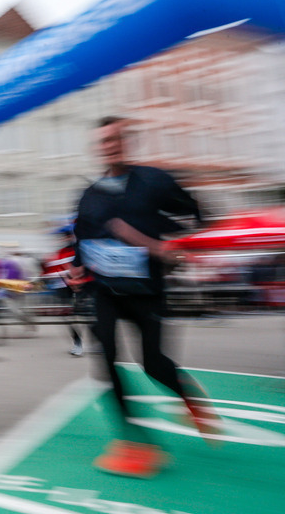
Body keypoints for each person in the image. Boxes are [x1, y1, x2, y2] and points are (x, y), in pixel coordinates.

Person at [73, 116, 217, 478]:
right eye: (104, 141)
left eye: (117, 139)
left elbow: (200, 215)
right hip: (104, 291)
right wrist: (77, 268)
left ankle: (189, 396)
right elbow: (81, 240)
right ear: (98, 149)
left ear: (128, 142)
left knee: (152, 364)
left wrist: (175, 248)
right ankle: (135, 442)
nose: (111, 146)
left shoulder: (154, 181)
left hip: (147, 292)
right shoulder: (89, 196)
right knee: (106, 360)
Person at [43, 225, 92, 357]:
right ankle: (77, 342)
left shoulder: (80, 251)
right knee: (68, 317)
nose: (61, 240)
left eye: (64, 237)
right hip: (63, 289)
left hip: (82, 287)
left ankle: (96, 341)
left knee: (90, 315)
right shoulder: (56, 255)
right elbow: (49, 273)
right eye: (60, 238)